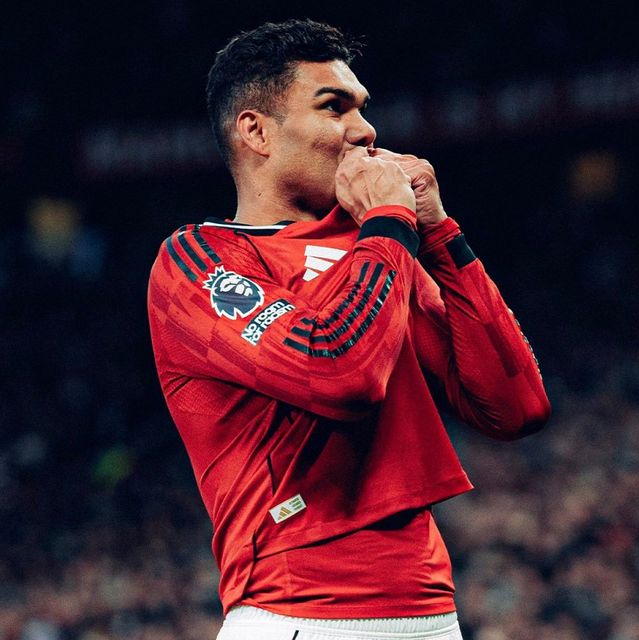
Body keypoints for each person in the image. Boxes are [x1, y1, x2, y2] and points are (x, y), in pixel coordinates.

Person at [147, 18, 551, 640]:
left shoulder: (377, 252)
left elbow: (515, 408)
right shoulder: (200, 262)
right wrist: (389, 225)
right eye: (334, 107)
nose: (365, 131)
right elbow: (338, 371)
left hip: (433, 613)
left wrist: (439, 234)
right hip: (298, 612)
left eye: (362, 108)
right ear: (256, 131)